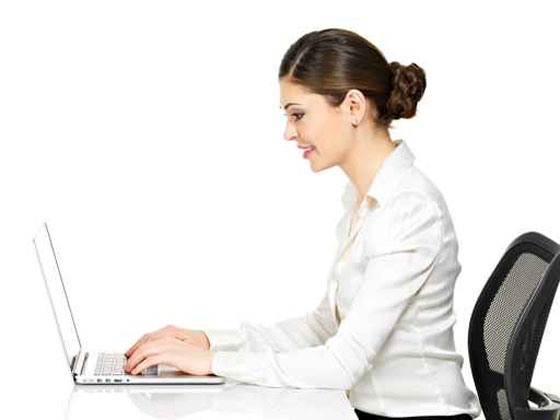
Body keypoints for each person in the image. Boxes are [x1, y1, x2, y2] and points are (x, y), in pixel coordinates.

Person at [124, 28, 482, 420]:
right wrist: (209, 343)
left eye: (298, 114)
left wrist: (213, 363)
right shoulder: (364, 202)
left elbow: (342, 363)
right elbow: (323, 329)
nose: (288, 132)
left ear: (353, 107)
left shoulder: (409, 208)